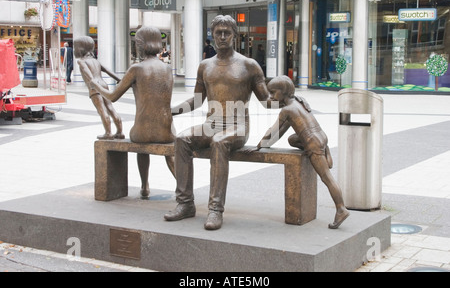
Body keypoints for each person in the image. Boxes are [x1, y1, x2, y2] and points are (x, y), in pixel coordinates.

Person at [164, 15, 272, 230]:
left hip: (238, 126)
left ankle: (215, 209)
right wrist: (170, 111)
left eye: (227, 32)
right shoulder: (205, 66)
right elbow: (196, 101)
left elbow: (267, 101)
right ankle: (185, 203)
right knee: (182, 139)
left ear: (234, 35)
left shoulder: (249, 65)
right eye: (218, 33)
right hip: (211, 123)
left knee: (219, 142)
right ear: (212, 35)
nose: (222, 36)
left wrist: (291, 99)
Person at [244, 75, 350, 229]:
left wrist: (259, 146)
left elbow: (274, 131)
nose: (271, 97)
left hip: (313, 143)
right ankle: (323, 152)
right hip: (320, 137)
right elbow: (282, 131)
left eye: (273, 93)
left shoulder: (287, 110)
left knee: (327, 178)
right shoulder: (299, 101)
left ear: (284, 92)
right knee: (293, 140)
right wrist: (264, 144)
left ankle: (341, 209)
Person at [89, 26, 175, 198]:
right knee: (169, 149)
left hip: (142, 132)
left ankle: (144, 186)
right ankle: (182, 186)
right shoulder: (167, 69)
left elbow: (113, 96)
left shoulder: (137, 68)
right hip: (166, 131)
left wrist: (96, 84)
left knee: (141, 143)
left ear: (141, 45)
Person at [74, 36, 125, 141]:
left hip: (95, 87)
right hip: (104, 84)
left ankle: (108, 133)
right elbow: (108, 71)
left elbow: (87, 72)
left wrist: (92, 82)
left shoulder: (82, 61)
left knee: (102, 110)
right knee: (110, 108)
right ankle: (120, 132)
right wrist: (119, 79)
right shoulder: (95, 61)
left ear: (80, 49)